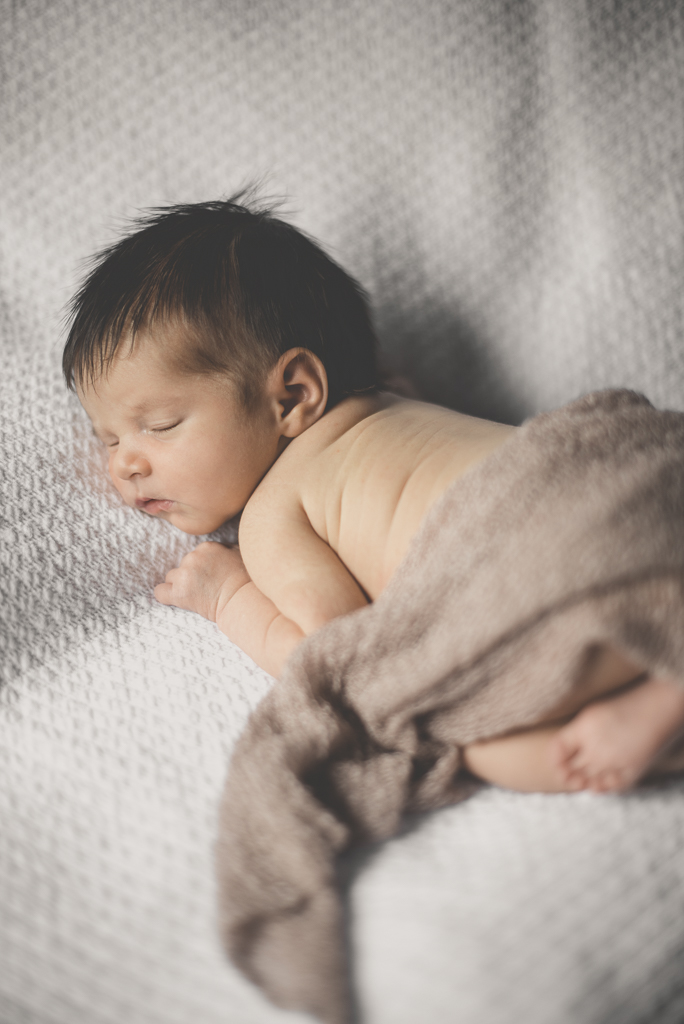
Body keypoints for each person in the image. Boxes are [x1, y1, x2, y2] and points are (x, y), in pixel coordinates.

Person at [63, 195, 684, 796]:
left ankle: (645, 711)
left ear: (294, 396)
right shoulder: (397, 402)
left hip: (539, 563)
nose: (126, 463)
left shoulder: (278, 509)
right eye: (108, 438)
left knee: (456, 735)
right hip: (629, 474)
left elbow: (336, 658)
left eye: (160, 425)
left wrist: (231, 599)